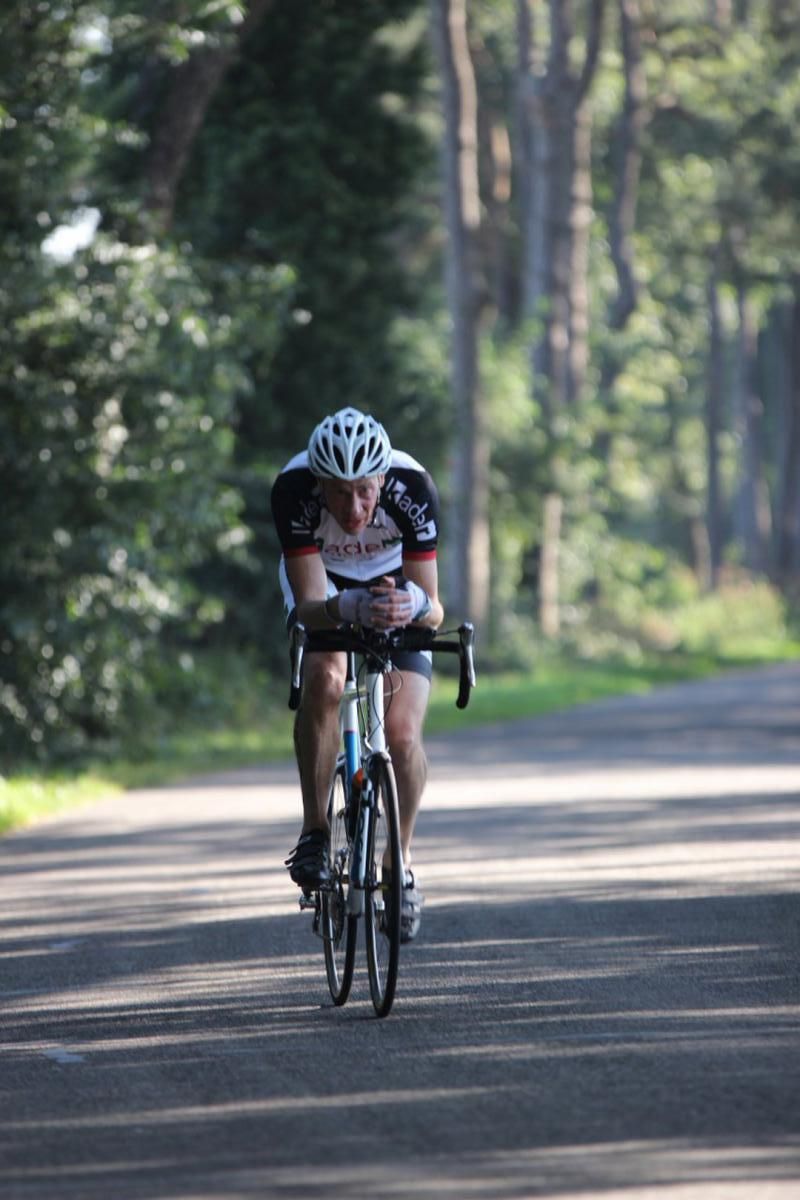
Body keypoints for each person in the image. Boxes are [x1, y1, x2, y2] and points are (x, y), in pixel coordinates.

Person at [270, 406, 444, 942]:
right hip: (327, 587)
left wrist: (409, 602)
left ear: (383, 480)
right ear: (320, 483)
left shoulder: (412, 485)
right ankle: (316, 831)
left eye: (366, 491)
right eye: (340, 493)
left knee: (403, 732)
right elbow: (308, 607)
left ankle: (400, 862)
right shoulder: (293, 489)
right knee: (324, 679)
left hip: (394, 584)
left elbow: (435, 608)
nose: (354, 507)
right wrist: (347, 609)